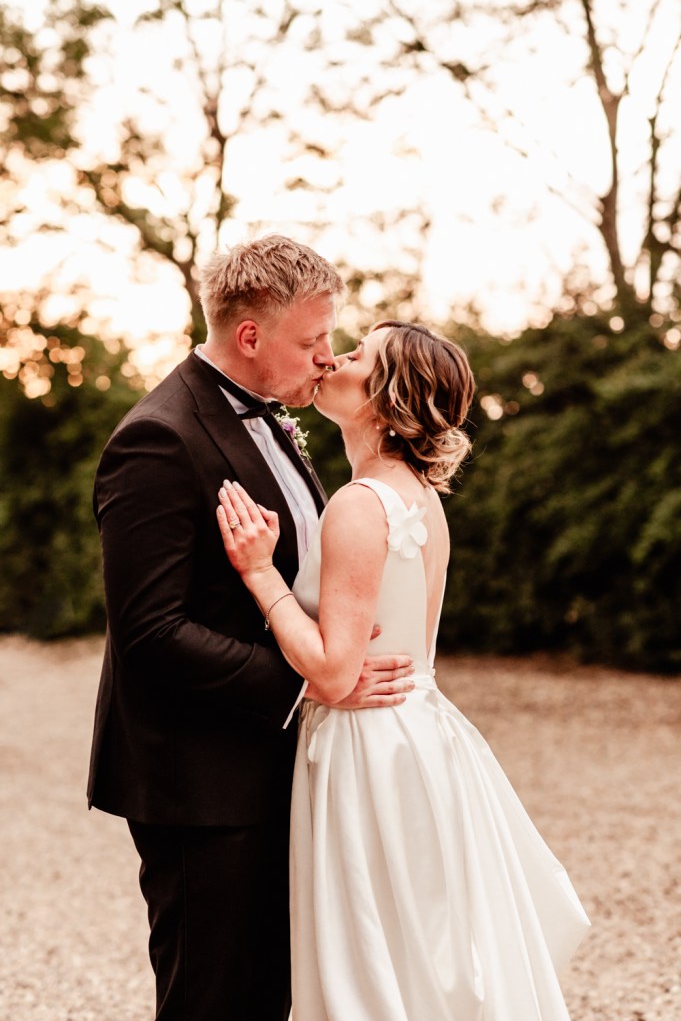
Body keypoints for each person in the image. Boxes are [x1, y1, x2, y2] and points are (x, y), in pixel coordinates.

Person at [217, 319, 591, 1021]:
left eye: (358, 354)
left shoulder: (360, 505)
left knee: (373, 961)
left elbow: (333, 673)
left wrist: (260, 572)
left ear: (388, 397)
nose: (335, 358)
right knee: (419, 950)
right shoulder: (418, 497)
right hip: (419, 736)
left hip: (369, 750)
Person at [86, 236, 415, 1021]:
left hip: (272, 763)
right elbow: (150, 631)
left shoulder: (277, 419)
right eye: (311, 340)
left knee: (267, 993)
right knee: (211, 1000)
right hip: (200, 782)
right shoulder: (159, 438)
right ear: (249, 336)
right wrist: (311, 684)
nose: (326, 357)